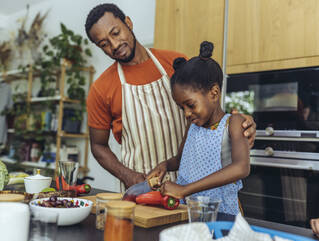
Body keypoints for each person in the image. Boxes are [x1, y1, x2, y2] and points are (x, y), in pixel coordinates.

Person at [84, 3, 256, 190]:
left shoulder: (176, 64)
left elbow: (210, 112)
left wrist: (238, 125)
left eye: (116, 33)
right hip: (142, 187)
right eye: (104, 44)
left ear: (128, 23)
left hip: (194, 182)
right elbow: (98, 146)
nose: (114, 45)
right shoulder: (100, 89)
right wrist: (128, 176)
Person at [147, 41, 250, 215]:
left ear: (214, 93)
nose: (187, 113)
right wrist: (164, 165)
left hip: (222, 216)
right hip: (189, 213)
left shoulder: (233, 123)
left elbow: (241, 167)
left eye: (190, 105)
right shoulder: (193, 125)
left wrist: (185, 189)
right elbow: (181, 161)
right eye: (182, 108)